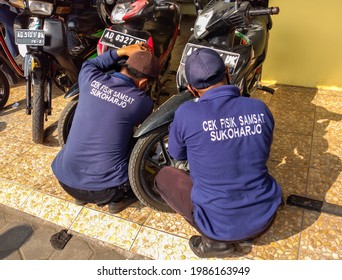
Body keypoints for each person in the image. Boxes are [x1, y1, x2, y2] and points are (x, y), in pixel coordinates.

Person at [154, 48, 283, 258]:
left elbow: (177, 154)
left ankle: (214, 243)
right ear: (228, 72)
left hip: (217, 226)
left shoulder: (186, 113)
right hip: (265, 218)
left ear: (191, 89)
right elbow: (261, 148)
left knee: (164, 177)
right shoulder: (259, 108)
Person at [51, 43, 159, 214]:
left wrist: (121, 51)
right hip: (106, 190)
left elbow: (90, 63)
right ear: (144, 82)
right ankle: (118, 200)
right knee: (137, 144)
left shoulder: (90, 78)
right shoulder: (142, 102)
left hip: (65, 180)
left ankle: (81, 195)